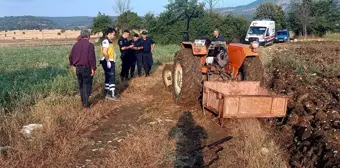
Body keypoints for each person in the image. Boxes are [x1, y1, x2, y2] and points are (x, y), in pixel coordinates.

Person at [69, 30, 96, 108]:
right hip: (86, 68)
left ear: (81, 36)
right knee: (87, 85)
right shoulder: (90, 45)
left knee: (81, 85)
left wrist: (73, 65)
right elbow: (91, 58)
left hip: (78, 68)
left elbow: (71, 56)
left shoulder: (75, 45)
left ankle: (83, 102)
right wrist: (93, 68)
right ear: (88, 36)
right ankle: (86, 104)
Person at [100, 28, 120, 101]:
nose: (114, 36)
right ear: (110, 34)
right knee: (112, 77)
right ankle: (112, 94)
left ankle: (107, 93)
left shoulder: (110, 42)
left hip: (109, 61)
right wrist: (108, 61)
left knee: (108, 77)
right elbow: (105, 52)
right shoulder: (106, 41)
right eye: (114, 34)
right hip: (107, 61)